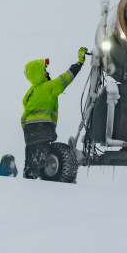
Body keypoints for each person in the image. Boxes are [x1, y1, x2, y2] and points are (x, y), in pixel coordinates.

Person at [21, 47, 87, 179]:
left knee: (31, 160)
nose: (46, 72)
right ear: (38, 73)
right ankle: (38, 181)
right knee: (41, 159)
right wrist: (80, 62)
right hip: (43, 129)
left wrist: (25, 127)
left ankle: (28, 183)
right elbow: (66, 78)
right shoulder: (47, 88)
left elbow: (24, 116)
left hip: (29, 132)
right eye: (44, 70)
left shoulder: (30, 93)